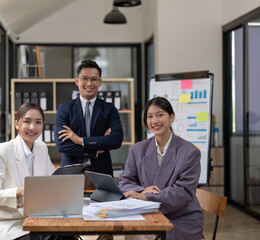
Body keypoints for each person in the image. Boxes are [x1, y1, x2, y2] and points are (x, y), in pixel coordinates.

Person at [0, 103, 73, 240]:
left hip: (36, 220)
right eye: (27, 121)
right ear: (17, 124)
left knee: (66, 235)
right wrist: (19, 191)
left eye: (38, 122)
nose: (32, 127)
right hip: (7, 224)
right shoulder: (2, 151)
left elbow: (51, 181)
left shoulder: (41, 148)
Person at [119, 97, 203, 240]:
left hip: (180, 218)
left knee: (139, 234)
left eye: (160, 115)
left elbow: (183, 192)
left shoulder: (190, 152)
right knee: (132, 230)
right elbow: (125, 181)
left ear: (171, 117)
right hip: (147, 213)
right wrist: (142, 191)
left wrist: (147, 197)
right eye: (150, 116)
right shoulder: (137, 149)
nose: (154, 121)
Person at [54, 60, 123, 176]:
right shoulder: (65, 108)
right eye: (84, 78)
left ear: (100, 82)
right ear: (77, 81)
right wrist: (95, 151)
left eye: (94, 79)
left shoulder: (109, 109)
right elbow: (62, 144)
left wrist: (81, 141)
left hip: (101, 173)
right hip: (71, 173)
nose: (89, 83)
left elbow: (116, 139)